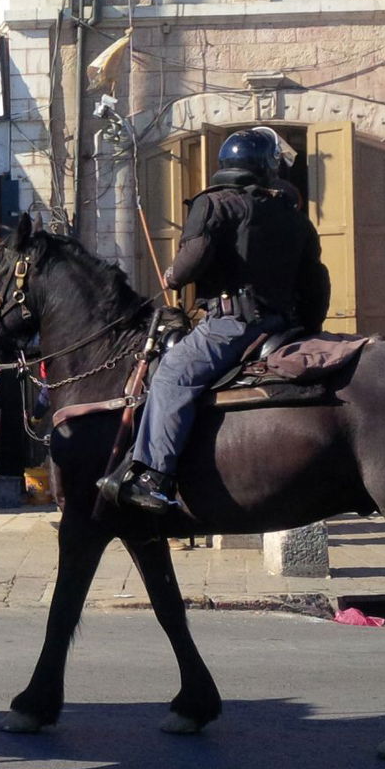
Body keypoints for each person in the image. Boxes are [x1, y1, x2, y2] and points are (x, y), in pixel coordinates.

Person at [102, 128, 331, 514]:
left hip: (232, 327)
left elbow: (192, 262)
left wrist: (172, 275)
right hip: (283, 325)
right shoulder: (295, 218)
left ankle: (155, 476)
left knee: (173, 372)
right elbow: (317, 284)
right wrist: (307, 328)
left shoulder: (217, 205)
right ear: (268, 167)